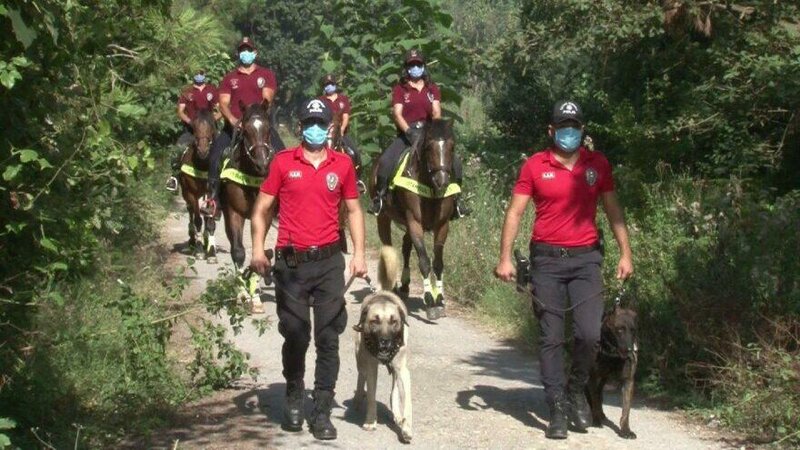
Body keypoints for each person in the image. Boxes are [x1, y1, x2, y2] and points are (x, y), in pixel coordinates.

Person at [493, 100, 634, 440]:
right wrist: (505, 257)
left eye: (575, 126)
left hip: (587, 260)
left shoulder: (597, 165)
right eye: (563, 126)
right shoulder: (533, 166)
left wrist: (625, 253)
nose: (569, 132)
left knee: (590, 334)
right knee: (551, 336)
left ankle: (575, 390)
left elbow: (614, 211)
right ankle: (556, 404)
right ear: (551, 130)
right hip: (547, 261)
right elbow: (514, 212)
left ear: (582, 129)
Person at [250, 98, 367, 441]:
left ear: (330, 126)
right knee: (296, 333)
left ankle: (322, 410)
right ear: (300, 128)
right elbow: (261, 211)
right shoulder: (283, 163)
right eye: (309, 122)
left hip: (330, 262)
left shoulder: (343, 165)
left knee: (328, 337)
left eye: (321, 122)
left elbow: (355, 211)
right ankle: (294, 391)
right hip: (291, 263)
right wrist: (258, 249)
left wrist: (360, 254)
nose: (315, 128)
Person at [367, 49, 469, 218]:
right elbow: (397, 114)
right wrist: (408, 131)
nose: (415, 67)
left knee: (455, 162)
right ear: (406, 68)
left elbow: (436, 111)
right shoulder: (401, 89)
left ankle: (457, 200)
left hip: (428, 132)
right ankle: (380, 198)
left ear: (424, 66)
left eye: (418, 64)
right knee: (386, 161)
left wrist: (435, 129)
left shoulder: (432, 88)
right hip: (407, 133)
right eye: (411, 65)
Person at [202, 37, 285, 215]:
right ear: (238, 54)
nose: (245, 53)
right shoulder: (229, 78)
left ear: (255, 53)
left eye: (249, 50)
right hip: (234, 127)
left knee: (283, 155)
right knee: (215, 155)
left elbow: (266, 100)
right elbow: (223, 102)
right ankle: (213, 199)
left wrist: (252, 119)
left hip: (259, 126)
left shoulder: (266, 75)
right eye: (242, 50)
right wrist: (233, 120)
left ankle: (286, 202)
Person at [166, 70, 219, 192]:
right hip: (191, 130)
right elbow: (180, 111)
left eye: (201, 73)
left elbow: (220, 109)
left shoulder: (212, 90)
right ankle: (174, 178)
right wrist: (191, 122)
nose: (199, 75)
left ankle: (222, 181)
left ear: (205, 75)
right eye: (197, 73)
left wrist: (210, 121)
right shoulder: (187, 91)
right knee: (178, 149)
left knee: (222, 150)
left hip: (210, 131)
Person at [318, 74, 364, 190]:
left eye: (331, 84)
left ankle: (357, 180)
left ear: (335, 85)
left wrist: (342, 130)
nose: (329, 87)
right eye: (327, 85)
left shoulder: (343, 99)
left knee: (354, 153)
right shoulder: (321, 100)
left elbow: (345, 117)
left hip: (341, 133)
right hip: (325, 133)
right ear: (324, 87)